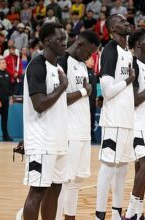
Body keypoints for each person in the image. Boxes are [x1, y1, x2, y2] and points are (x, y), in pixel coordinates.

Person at [22, 22, 68, 220]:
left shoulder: (56, 66)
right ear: (47, 41)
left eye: (65, 38)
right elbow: (39, 104)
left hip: (58, 140)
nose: (64, 43)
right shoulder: (37, 65)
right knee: (37, 191)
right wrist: (62, 86)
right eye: (60, 39)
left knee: (55, 189)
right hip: (41, 141)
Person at [55, 30, 99, 220]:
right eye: (89, 52)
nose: (90, 57)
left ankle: (70, 217)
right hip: (68, 131)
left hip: (82, 131)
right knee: (63, 180)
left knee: (77, 179)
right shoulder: (61, 61)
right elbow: (56, 98)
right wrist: (83, 91)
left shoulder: (82, 65)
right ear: (79, 44)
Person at [95, 14, 134, 220]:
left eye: (126, 20)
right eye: (120, 21)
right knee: (108, 167)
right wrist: (129, 80)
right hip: (113, 120)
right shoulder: (110, 50)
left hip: (128, 118)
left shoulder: (127, 50)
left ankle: (117, 214)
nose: (126, 23)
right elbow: (107, 90)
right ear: (111, 29)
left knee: (123, 169)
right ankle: (99, 216)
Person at [123, 28, 145, 220]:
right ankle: (129, 213)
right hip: (138, 123)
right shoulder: (133, 63)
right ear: (138, 44)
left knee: (140, 168)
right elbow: (134, 99)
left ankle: (137, 213)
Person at [0, 57, 13, 142]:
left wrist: (11, 97)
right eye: (3, 63)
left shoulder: (7, 74)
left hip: (6, 100)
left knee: (5, 119)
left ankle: (5, 136)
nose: (5, 64)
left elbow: (10, 87)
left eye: (5, 62)